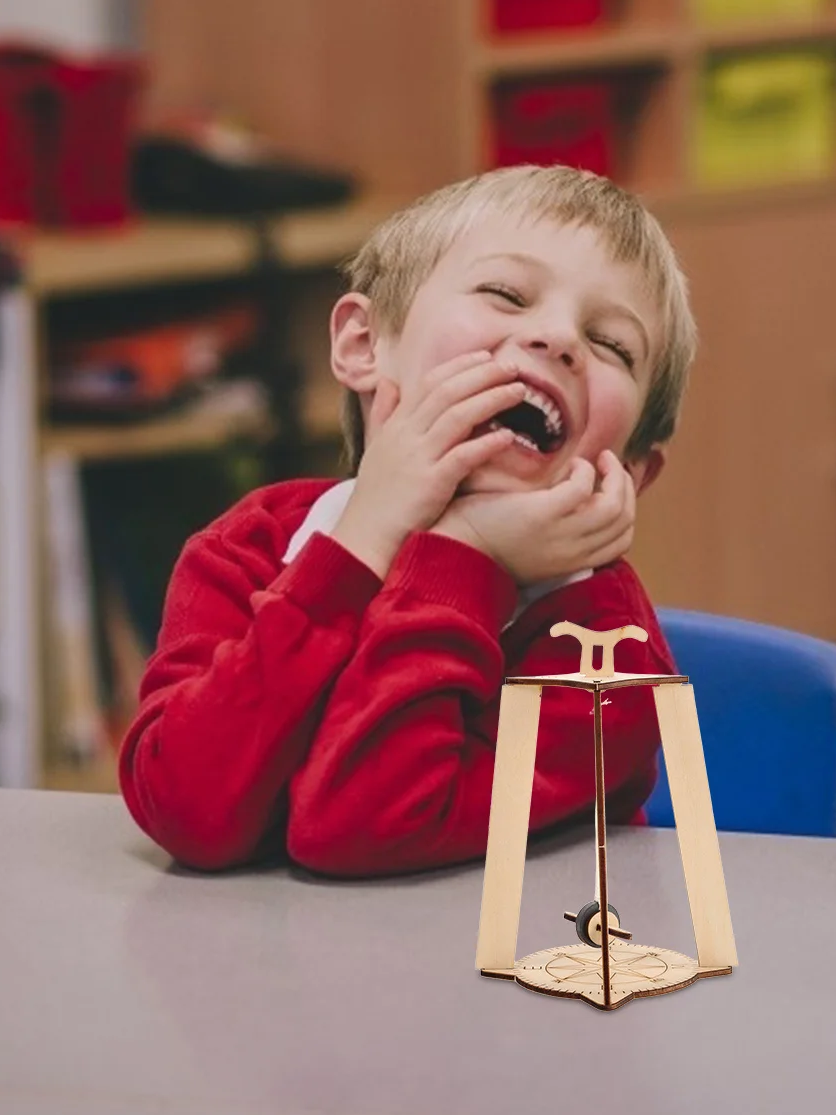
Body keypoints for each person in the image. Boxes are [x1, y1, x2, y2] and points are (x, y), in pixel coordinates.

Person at [120, 164, 697, 876]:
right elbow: (186, 808)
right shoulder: (253, 547)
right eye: (506, 294)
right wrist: (359, 545)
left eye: (612, 345)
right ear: (364, 345)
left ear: (633, 471)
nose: (557, 338)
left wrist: (463, 557)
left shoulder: (610, 656)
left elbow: (362, 826)